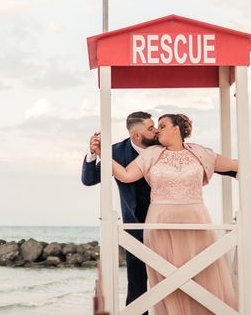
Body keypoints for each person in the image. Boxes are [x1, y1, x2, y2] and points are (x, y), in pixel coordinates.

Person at [111, 114, 251, 315]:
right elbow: (125, 175)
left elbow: (236, 166)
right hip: (160, 223)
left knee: (202, 274)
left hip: (196, 220)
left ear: (176, 129)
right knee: (168, 280)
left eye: (162, 126)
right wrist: (104, 155)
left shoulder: (200, 153)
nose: (157, 130)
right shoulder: (151, 154)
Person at [81, 111, 241, 312]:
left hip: (177, 225)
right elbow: (89, 179)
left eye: (156, 126)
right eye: (150, 128)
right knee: (138, 285)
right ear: (136, 136)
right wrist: (94, 153)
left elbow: (203, 162)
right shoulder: (117, 152)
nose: (156, 130)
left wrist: (241, 171)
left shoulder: (163, 146)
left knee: (189, 278)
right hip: (137, 228)